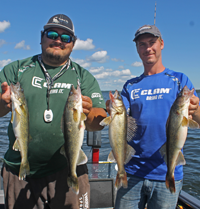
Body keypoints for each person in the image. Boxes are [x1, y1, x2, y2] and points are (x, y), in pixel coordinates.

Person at [0, 14, 107, 209]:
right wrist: (2, 103)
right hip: (19, 172)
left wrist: (89, 112)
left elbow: (97, 124)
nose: (58, 40)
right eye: (52, 34)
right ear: (41, 38)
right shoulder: (16, 70)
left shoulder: (83, 76)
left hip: (67, 169)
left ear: (73, 44)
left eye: (66, 38)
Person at [108, 25, 200, 209]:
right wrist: (111, 108)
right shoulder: (130, 85)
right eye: (142, 44)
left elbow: (197, 119)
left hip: (166, 170)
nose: (148, 48)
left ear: (162, 44)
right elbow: (120, 116)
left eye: (152, 43)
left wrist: (196, 110)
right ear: (137, 49)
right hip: (132, 170)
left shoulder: (180, 80)